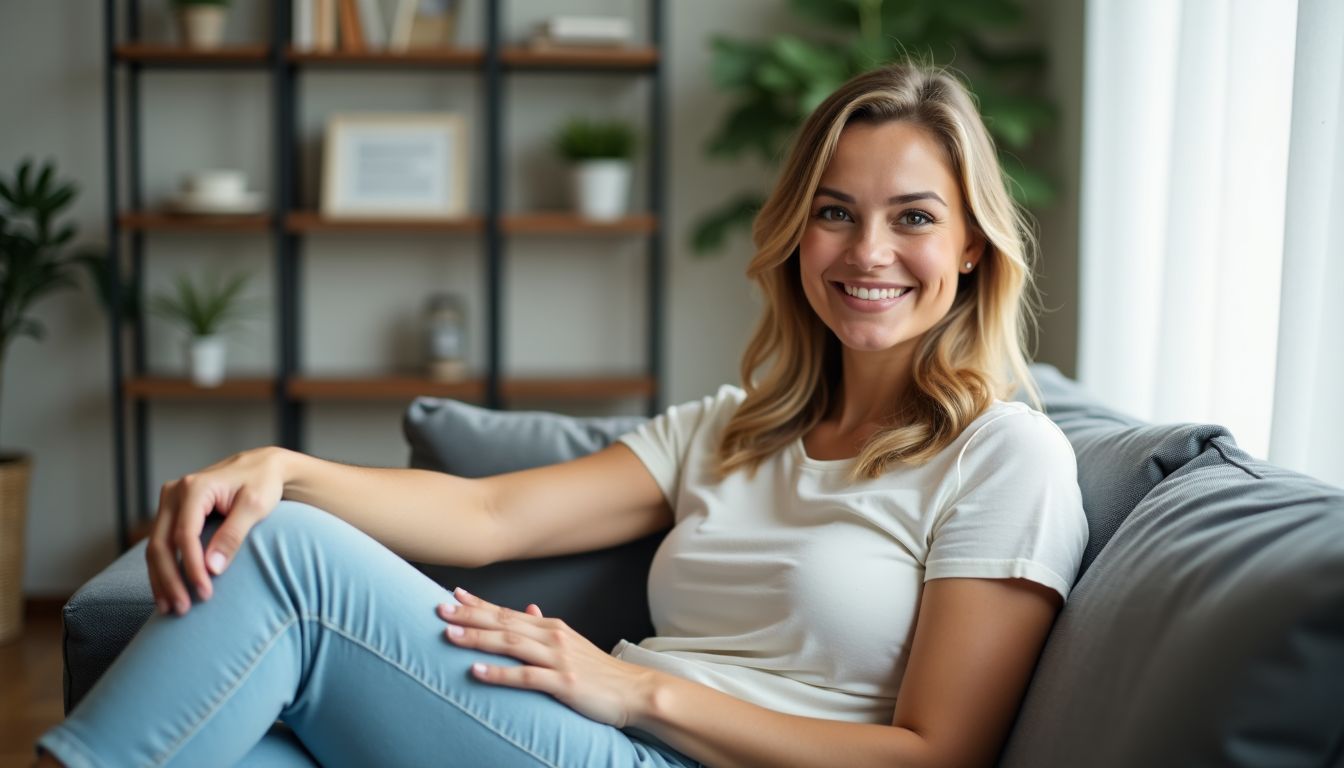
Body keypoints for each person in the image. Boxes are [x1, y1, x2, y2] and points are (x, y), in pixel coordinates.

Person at [37, 62, 1086, 768]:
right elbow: (492, 517)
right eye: (834, 213)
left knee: (289, 559)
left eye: (914, 219)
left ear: (972, 250)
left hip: (656, 745)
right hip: (595, 730)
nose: (867, 253)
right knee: (258, 742)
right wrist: (279, 465)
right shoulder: (735, 429)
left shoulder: (1006, 457)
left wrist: (636, 692)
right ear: (795, 236)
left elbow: (934, 756)